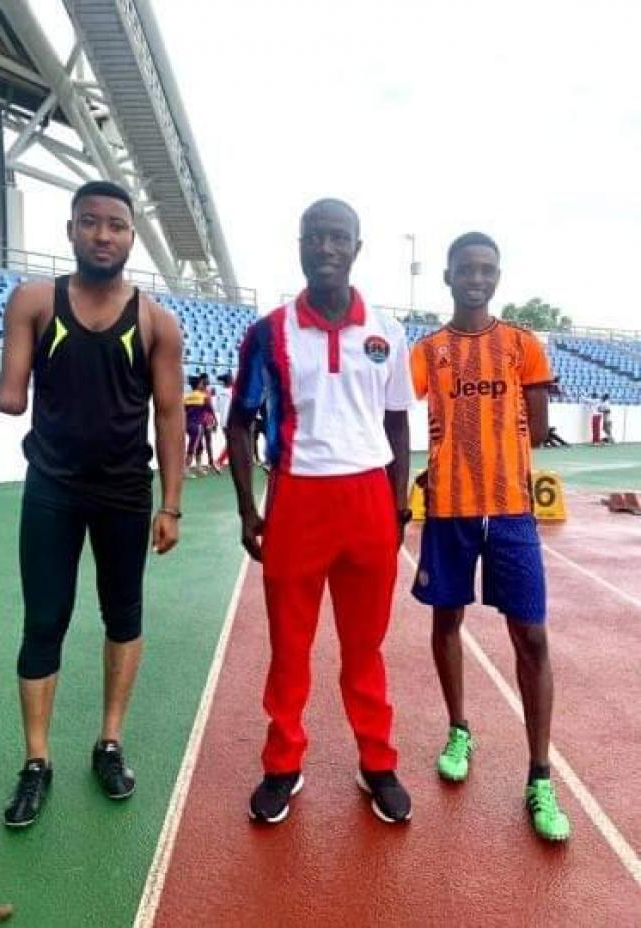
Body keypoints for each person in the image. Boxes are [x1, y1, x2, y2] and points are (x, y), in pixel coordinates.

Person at [0, 180, 184, 828]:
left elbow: (168, 414)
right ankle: (37, 761)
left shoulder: (157, 320)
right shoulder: (33, 302)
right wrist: (14, 376)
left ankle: (109, 741)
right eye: (91, 223)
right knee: (43, 620)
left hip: (126, 492)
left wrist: (173, 504)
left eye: (116, 226)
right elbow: (11, 397)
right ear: (70, 230)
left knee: (122, 614)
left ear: (131, 237)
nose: (104, 235)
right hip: (52, 487)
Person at [227, 198, 414, 825]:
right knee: (290, 647)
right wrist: (248, 508)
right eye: (316, 237)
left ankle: (378, 762)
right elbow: (239, 421)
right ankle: (283, 764)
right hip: (297, 496)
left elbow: (396, 422)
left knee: (366, 648)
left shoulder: (386, 329)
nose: (327, 248)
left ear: (357, 247)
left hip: (367, 499)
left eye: (339, 238)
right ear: (300, 244)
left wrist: (398, 502)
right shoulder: (269, 332)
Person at [410, 231, 570, 842]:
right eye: (466, 270)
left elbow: (533, 430)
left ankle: (539, 775)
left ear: (497, 277)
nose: (477, 278)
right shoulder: (427, 351)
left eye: (488, 270)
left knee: (531, 635)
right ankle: (458, 729)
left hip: (510, 510)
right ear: (448, 276)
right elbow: (403, 409)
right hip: (448, 509)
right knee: (446, 621)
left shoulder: (523, 345)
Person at [214, 371, 234, 468]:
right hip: (232, 421)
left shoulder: (220, 393)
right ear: (230, 381)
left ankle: (231, 462)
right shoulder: (233, 392)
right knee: (232, 444)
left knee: (231, 443)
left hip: (223, 421)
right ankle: (219, 462)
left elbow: (216, 408)